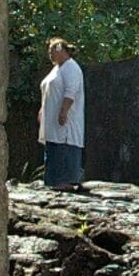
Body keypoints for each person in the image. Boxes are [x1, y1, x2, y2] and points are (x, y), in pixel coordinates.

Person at [36, 37, 87, 190]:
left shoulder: (71, 67)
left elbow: (71, 90)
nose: (49, 55)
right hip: (51, 120)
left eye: (51, 51)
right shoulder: (57, 68)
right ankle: (54, 180)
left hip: (65, 120)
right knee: (53, 147)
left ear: (59, 50)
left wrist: (64, 110)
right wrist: (42, 111)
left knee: (65, 145)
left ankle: (67, 181)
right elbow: (48, 90)